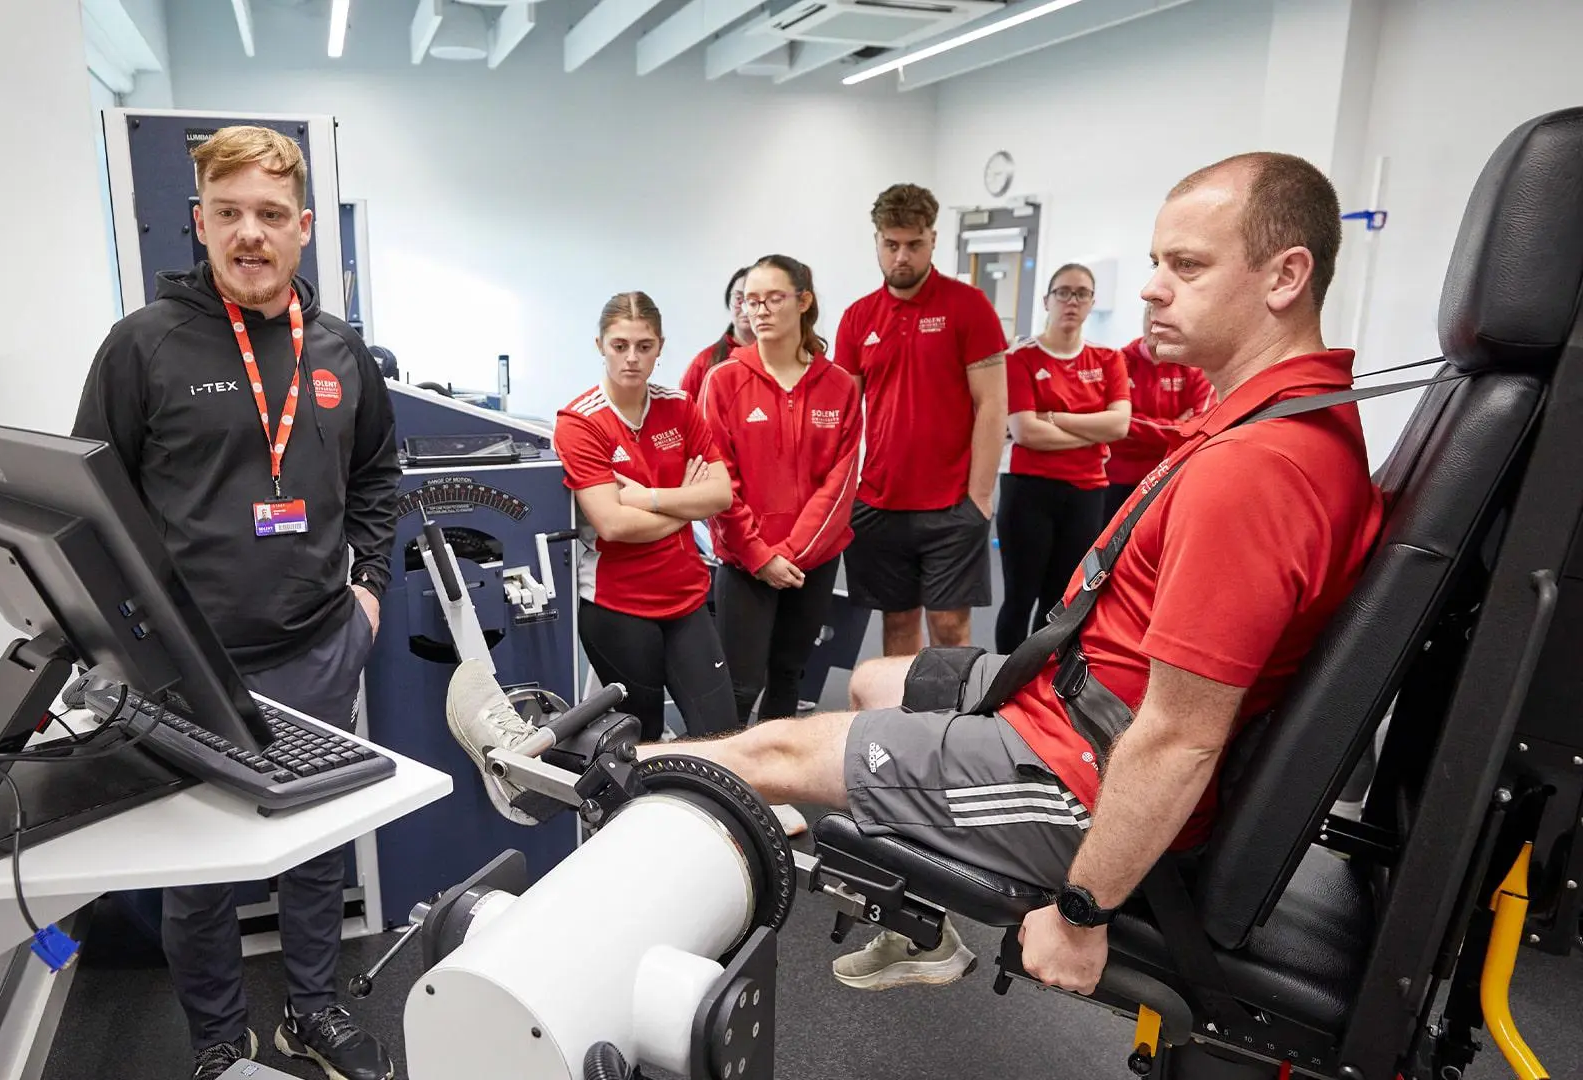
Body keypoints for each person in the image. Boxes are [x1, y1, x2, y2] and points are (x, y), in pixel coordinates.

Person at [451, 151, 1381, 999]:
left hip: (1082, 769)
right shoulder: (1271, 423)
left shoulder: (1260, 468)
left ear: (1285, 276)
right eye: (1157, 262)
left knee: (783, 752)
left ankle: (545, 765)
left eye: (1185, 267)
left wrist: (1086, 912)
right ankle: (918, 929)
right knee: (873, 677)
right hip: (1075, 693)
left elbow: (1179, 739)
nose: (1149, 290)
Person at [72, 125, 398, 1080]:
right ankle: (218, 1039)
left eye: (268, 215)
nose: (249, 235)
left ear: (303, 228)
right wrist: (133, 640)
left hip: (319, 644)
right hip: (190, 662)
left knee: (312, 846)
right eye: (228, 214)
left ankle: (311, 1009)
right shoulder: (144, 345)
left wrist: (369, 594)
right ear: (198, 222)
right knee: (201, 868)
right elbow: (93, 504)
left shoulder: (340, 350)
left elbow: (379, 476)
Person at [552, 291, 739, 748]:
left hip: (686, 597)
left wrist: (649, 498)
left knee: (722, 735)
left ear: (660, 346)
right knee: (643, 741)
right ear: (600, 345)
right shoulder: (580, 422)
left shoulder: (679, 406)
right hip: (619, 606)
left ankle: (715, 820)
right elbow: (613, 525)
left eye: (645, 346)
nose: (632, 358)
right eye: (620, 346)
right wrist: (683, 507)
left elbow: (720, 494)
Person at [835, 184, 1009, 657]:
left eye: (914, 244)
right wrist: (845, 493)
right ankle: (902, 729)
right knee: (897, 625)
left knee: (950, 629)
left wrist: (980, 496)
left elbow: (993, 405)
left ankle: (951, 728)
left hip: (952, 503)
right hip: (879, 500)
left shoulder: (968, 307)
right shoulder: (857, 318)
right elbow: (846, 418)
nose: (902, 257)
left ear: (933, 238)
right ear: (877, 242)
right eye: (891, 245)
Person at [700, 255, 861, 727]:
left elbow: (841, 479)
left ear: (803, 301)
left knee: (789, 676)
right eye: (752, 301)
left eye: (773, 298)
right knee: (738, 684)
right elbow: (719, 480)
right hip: (746, 561)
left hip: (812, 561)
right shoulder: (724, 380)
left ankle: (775, 779)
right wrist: (759, 555)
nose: (760, 311)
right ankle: (722, 783)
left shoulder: (838, 386)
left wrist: (792, 552)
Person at [995, 265, 1131, 653]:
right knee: (1020, 598)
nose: (1072, 301)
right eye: (1063, 293)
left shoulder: (1108, 360)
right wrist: (1091, 429)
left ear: (1092, 303)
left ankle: (1037, 686)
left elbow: (1119, 426)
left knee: (1061, 600)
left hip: (1086, 494)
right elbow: (1024, 432)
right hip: (1028, 492)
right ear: (1046, 300)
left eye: (1082, 294)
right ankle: (1002, 679)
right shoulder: (1020, 359)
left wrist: (1052, 417)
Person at [1103, 305, 1216, 520]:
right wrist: (1176, 425)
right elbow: (1108, 424)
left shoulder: (1193, 368)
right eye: (1150, 313)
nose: (1155, 322)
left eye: (1164, 316)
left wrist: (1126, 422)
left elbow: (1197, 431)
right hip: (1116, 479)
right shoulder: (1116, 362)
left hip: (1167, 478)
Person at [679, 266, 756, 401]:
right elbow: (682, 416)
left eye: (753, 300)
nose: (745, 308)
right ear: (728, 301)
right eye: (739, 299)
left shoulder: (781, 359)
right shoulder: (704, 363)